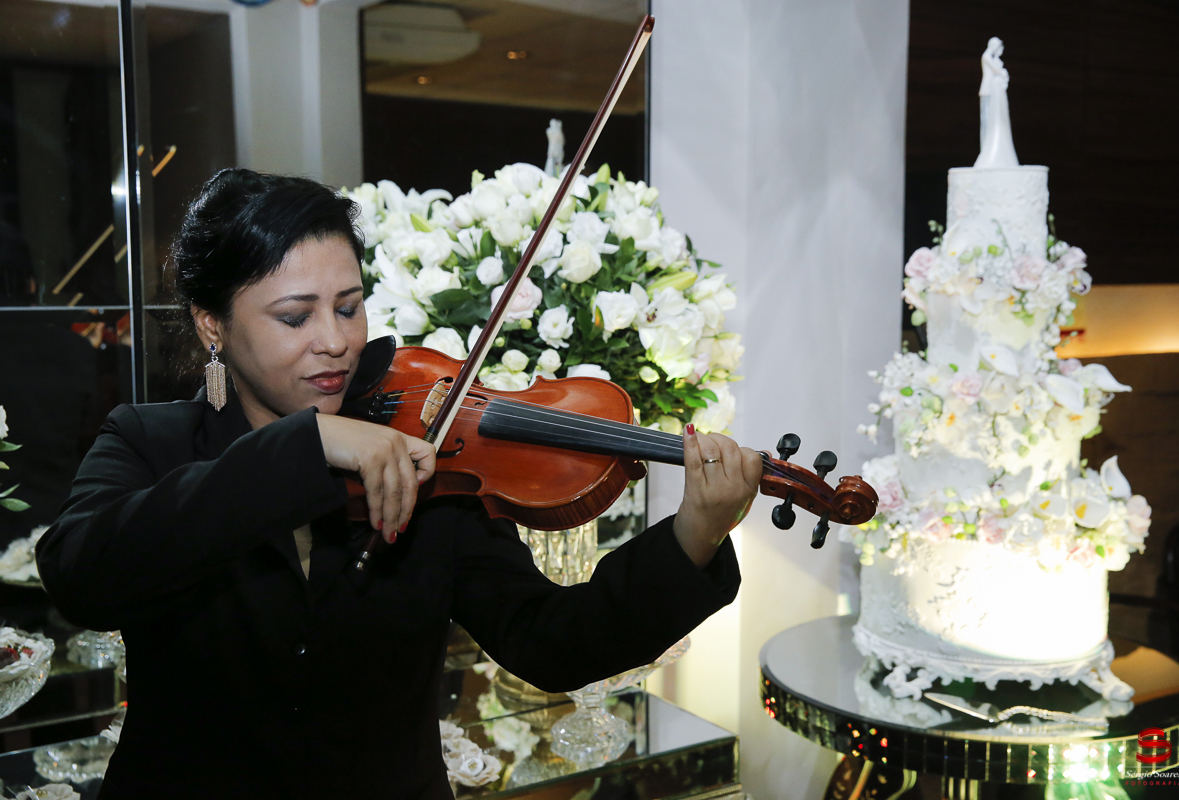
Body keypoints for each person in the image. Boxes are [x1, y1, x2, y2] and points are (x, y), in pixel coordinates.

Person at [36, 169, 760, 799]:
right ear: (211, 326)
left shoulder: (423, 449)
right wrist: (306, 445)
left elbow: (552, 642)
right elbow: (80, 573)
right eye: (296, 316)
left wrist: (694, 536)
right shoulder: (146, 441)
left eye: (349, 306)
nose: (337, 341)